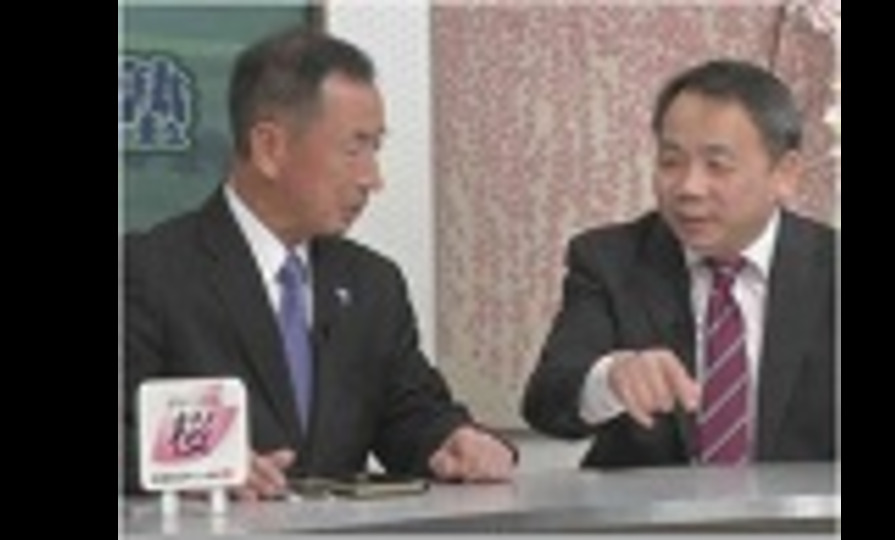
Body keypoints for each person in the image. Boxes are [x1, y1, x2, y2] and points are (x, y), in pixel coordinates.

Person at [122, 25, 515, 499]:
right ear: (270, 148)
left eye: (375, 148)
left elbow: (409, 413)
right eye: (354, 149)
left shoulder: (372, 284)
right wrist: (199, 462)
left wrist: (450, 440)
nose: (372, 178)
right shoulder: (148, 272)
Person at [522, 59, 836, 468]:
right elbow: (547, 402)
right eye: (671, 162)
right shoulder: (610, 260)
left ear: (785, 174)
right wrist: (611, 378)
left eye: (717, 166)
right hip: (650, 510)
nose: (689, 187)